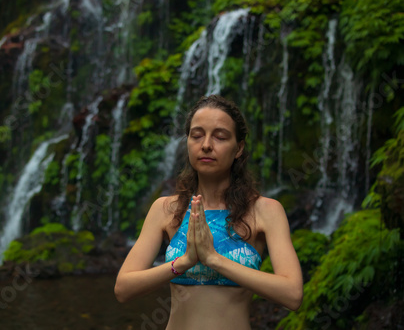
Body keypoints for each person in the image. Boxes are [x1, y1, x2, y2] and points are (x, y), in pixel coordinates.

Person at [114, 95, 303, 329]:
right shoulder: (166, 209)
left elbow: (293, 294)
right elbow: (123, 288)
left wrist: (214, 259)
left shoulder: (266, 211)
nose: (206, 145)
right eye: (197, 135)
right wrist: (182, 263)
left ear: (239, 148)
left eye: (220, 137)